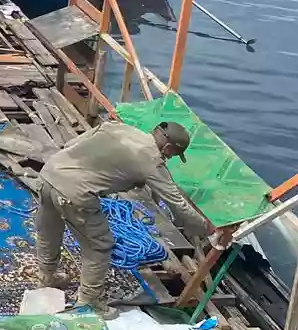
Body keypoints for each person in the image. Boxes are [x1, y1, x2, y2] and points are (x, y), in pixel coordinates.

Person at [36, 121, 202, 318]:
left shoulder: (115, 126)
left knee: (50, 231)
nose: (168, 158)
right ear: (167, 147)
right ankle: (89, 302)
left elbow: (71, 144)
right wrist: (208, 229)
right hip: (74, 194)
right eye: (171, 155)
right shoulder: (152, 161)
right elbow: (178, 204)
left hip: (48, 174)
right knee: (100, 246)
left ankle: (46, 278)